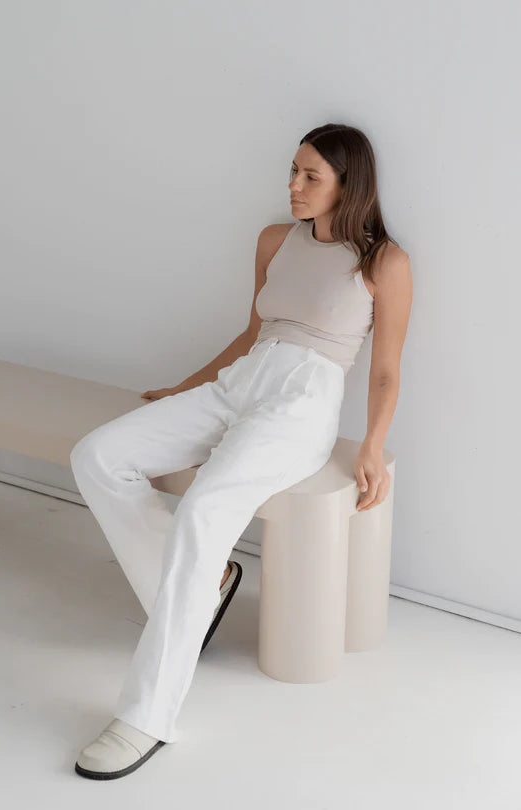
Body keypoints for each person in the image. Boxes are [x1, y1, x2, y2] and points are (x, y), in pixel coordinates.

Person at [71, 122, 413, 780]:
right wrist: (188, 388)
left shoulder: (384, 263)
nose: (294, 186)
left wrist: (372, 444)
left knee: (204, 512)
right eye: (293, 171)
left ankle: (147, 716)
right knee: (97, 456)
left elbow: (385, 370)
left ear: (350, 185)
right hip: (240, 383)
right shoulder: (274, 240)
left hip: (301, 405)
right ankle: (207, 585)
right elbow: (255, 330)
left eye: (311, 176)